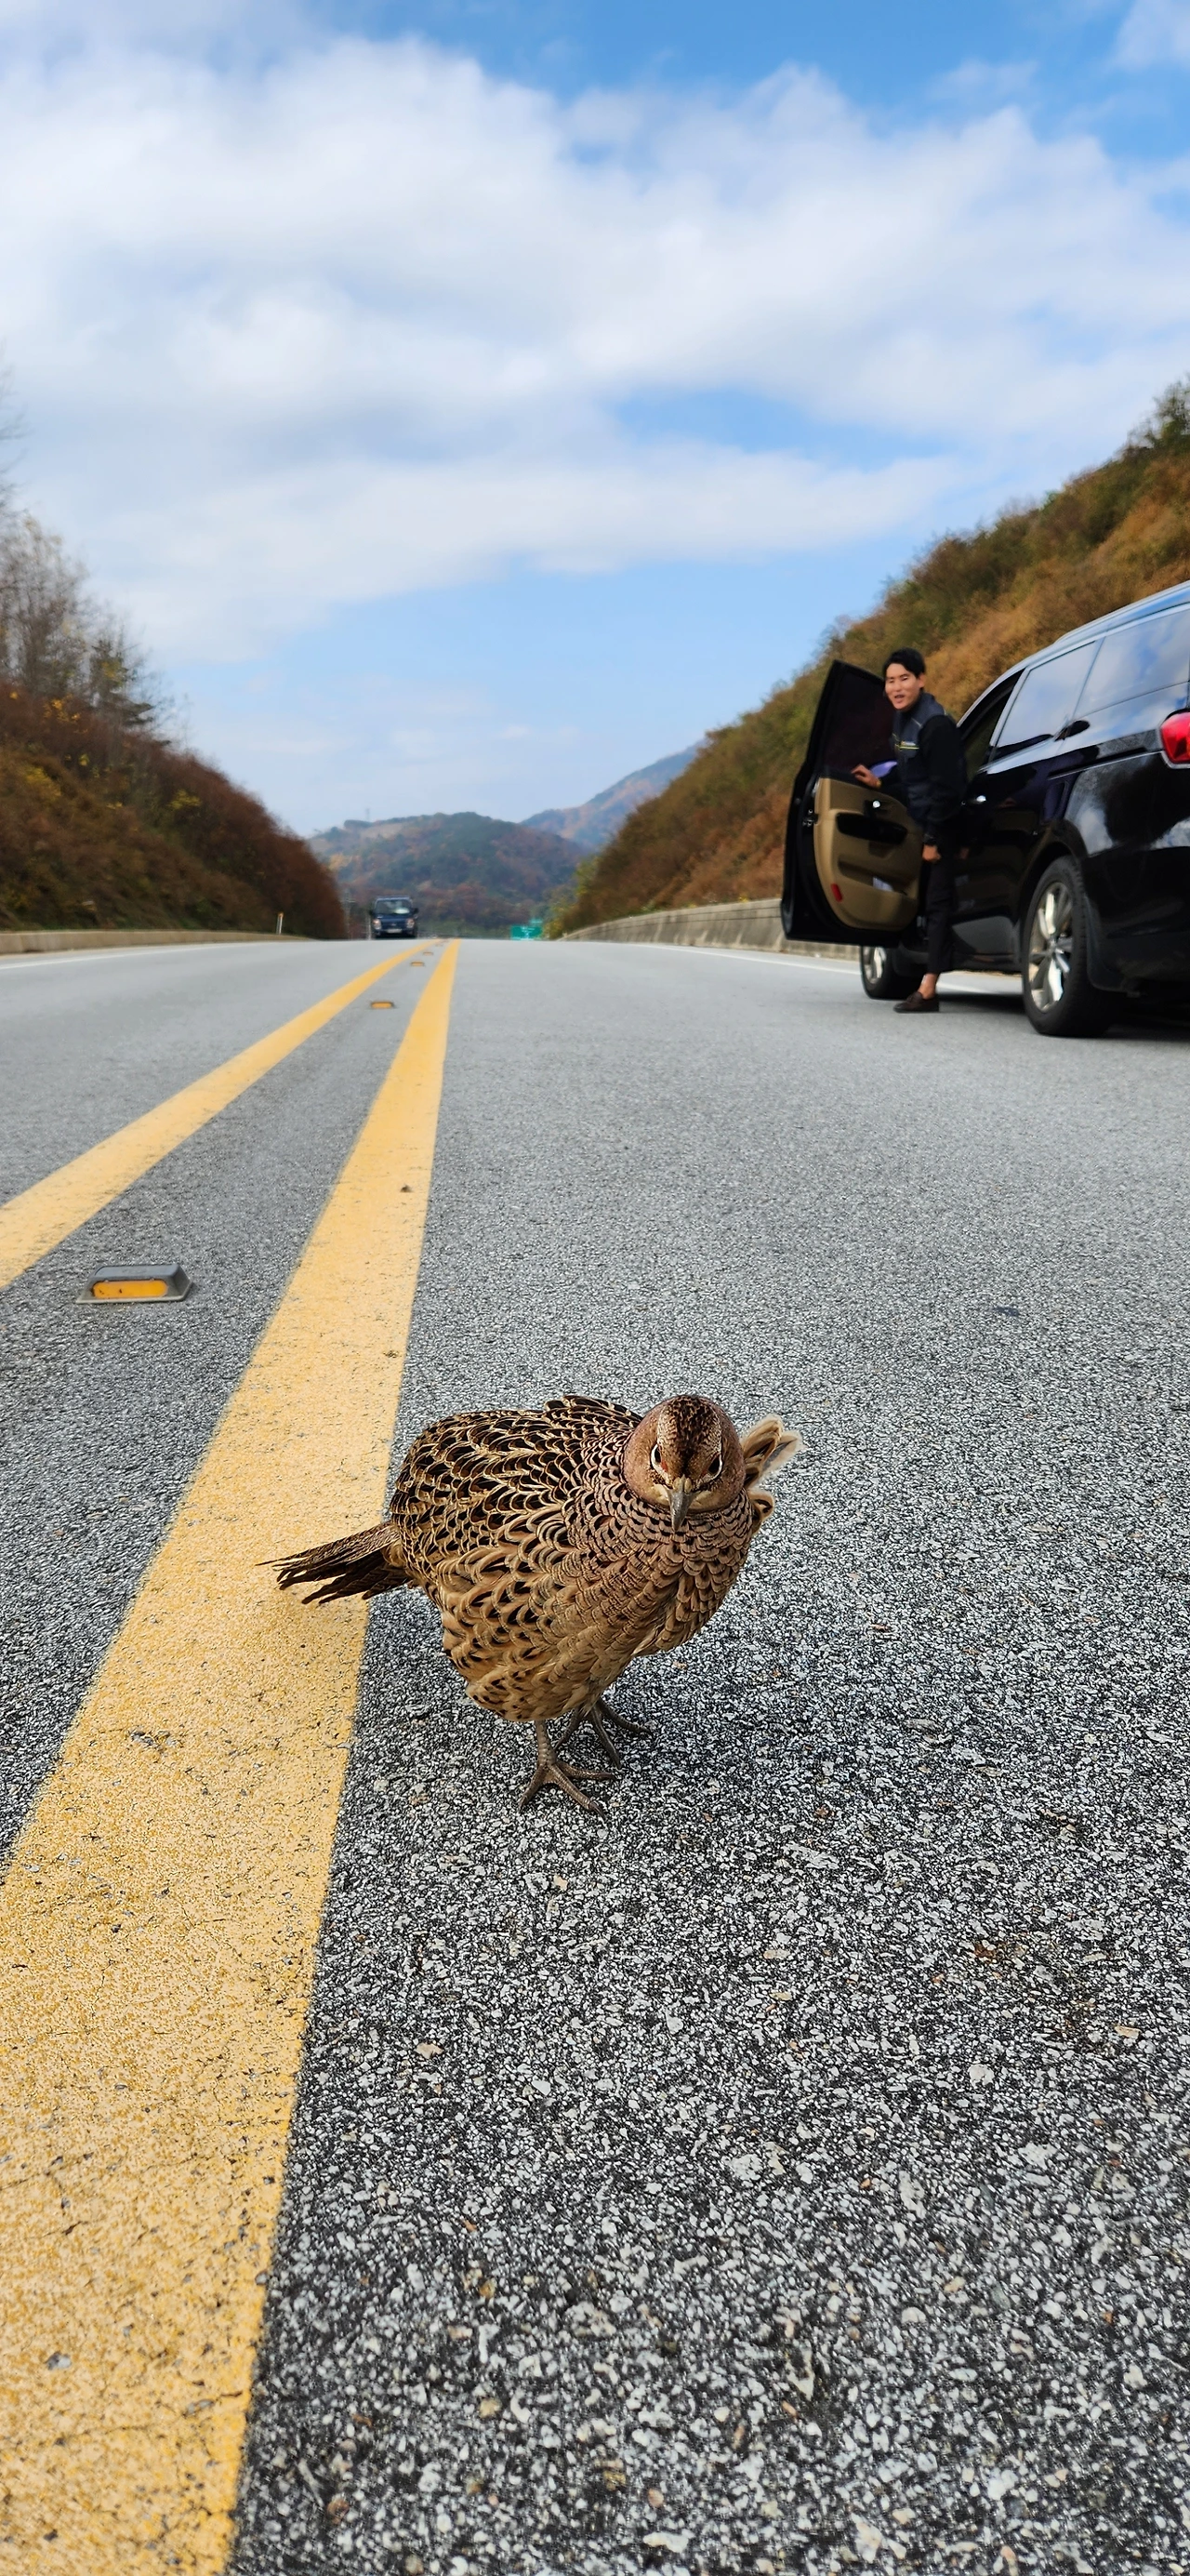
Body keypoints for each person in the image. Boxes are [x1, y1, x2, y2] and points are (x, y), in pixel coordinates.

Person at [853, 646, 967, 1016]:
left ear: (921, 680)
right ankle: (917, 972)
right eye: (890, 681)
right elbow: (911, 776)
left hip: (943, 825)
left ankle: (929, 989)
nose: (897, 687)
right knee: (914, 900)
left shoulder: (936, 725)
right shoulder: (902, 721)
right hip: (919, 822)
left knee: (937, 904)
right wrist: (880, 785)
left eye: (904, 679)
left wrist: (933, 840)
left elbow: (948, 791)